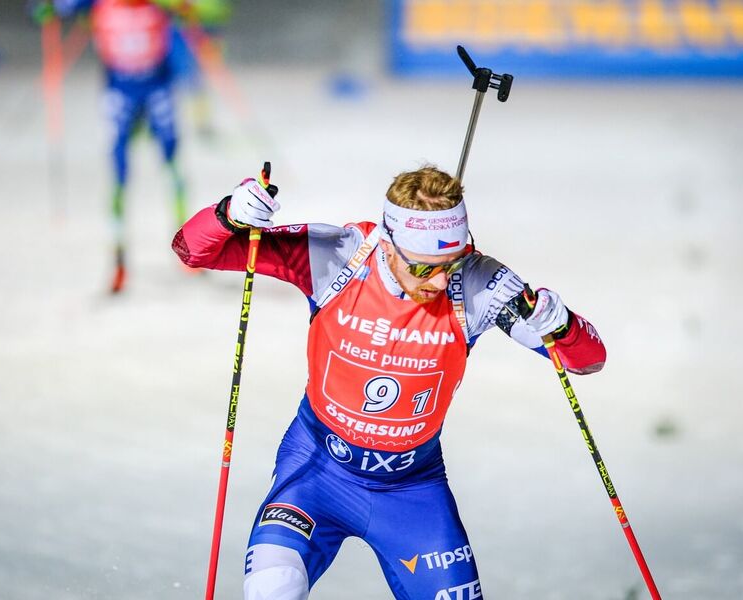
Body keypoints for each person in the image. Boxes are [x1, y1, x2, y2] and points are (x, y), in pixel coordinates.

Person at [173, 165, 607, 599]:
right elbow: (192, 251)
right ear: (388, 241)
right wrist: (229, 215)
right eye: (422, 268)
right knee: (273, 589)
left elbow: (588, 362)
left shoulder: (477, 282)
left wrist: (563, 325)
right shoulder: (338, 257)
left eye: (451, 262)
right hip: (318, 472)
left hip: (412, 490)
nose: (439, 281)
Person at [32, 0, 220, 292]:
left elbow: (205, 10)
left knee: (173, 169)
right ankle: (118, 258)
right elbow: (48, 10)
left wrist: (189, 11)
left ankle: (188, 252)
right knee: (119, 175)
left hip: (158, 88)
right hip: (120, 92)